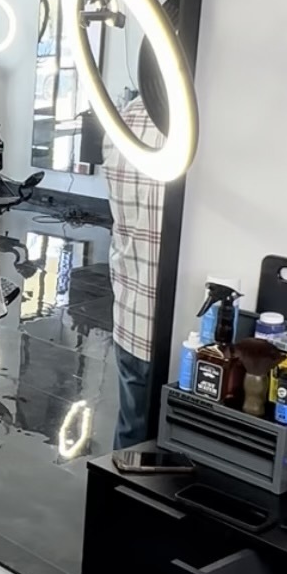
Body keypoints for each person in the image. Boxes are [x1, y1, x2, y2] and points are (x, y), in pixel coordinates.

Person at [103, 94, 163, 450]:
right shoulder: (181, 133)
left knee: (131, 435)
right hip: (169, 326)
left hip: (130, 310)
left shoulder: (123, 120)